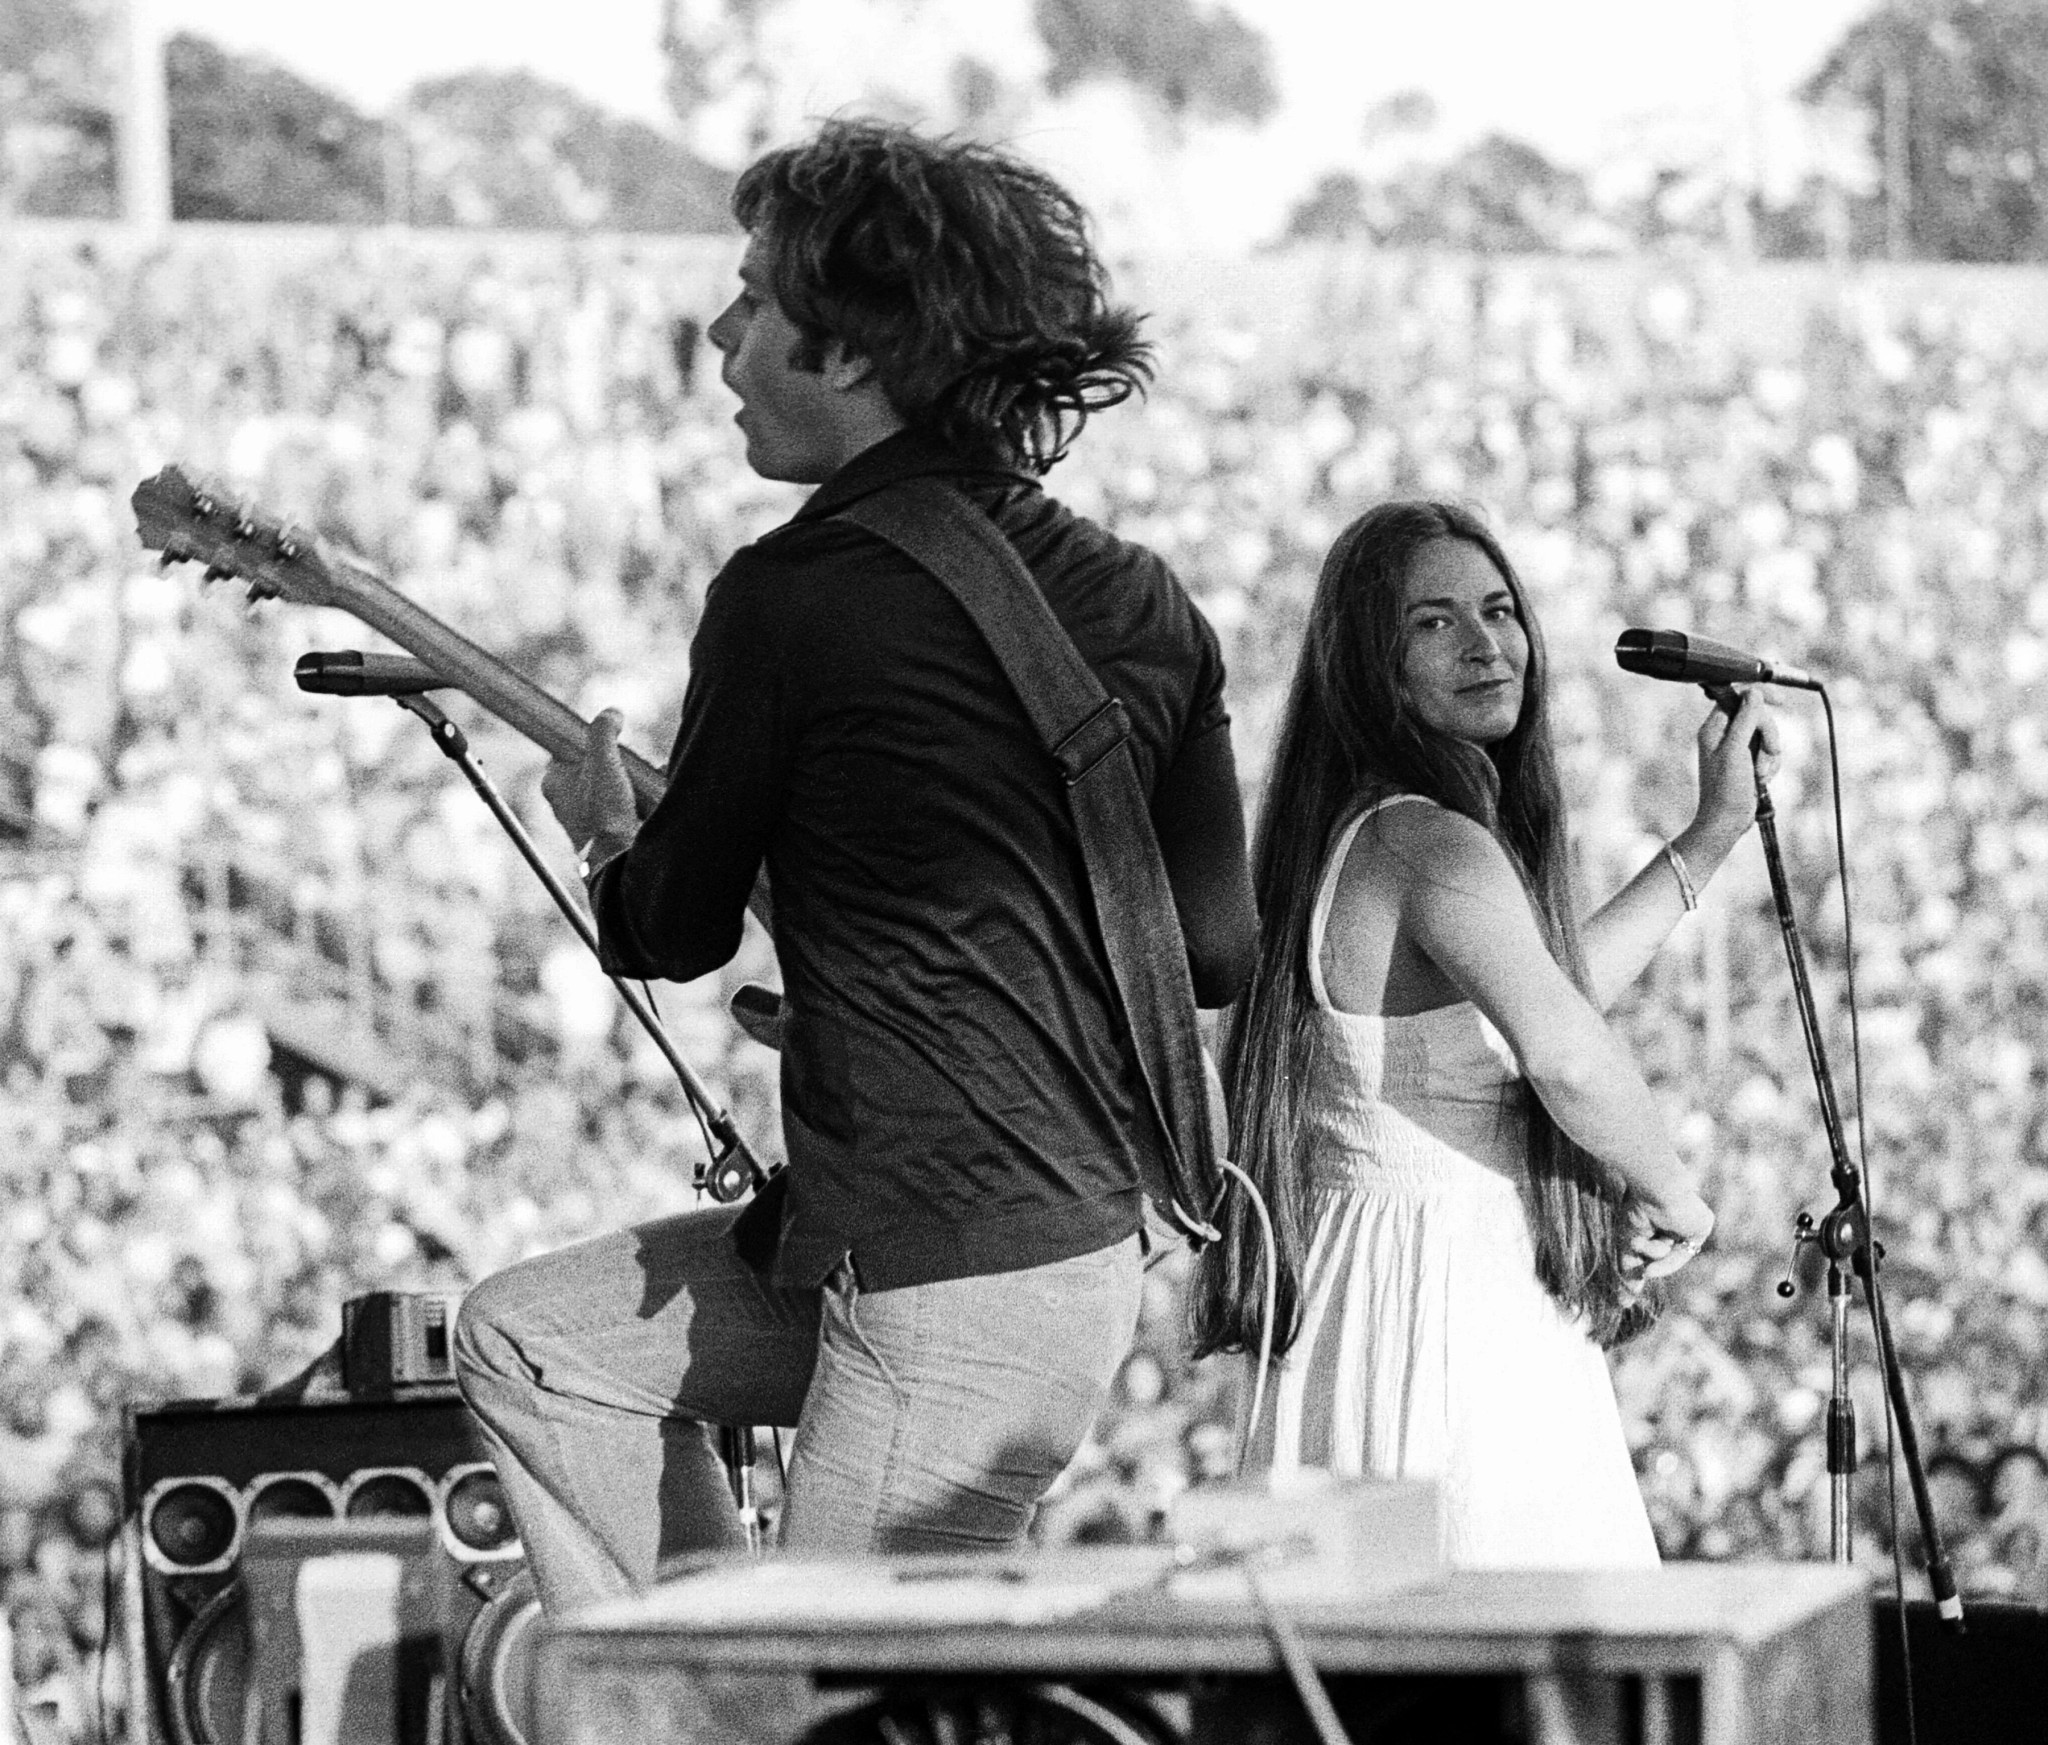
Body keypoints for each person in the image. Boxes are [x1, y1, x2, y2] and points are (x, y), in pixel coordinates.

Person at [453, 119, 1258, 1614]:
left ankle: (713, 1691)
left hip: (947, 1286)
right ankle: (678, 1680)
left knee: (829, 1691)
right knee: (532, 1339)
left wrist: (606, 827)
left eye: (754, 299)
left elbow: (671, 929)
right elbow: (1211, 953)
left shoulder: (791, 595)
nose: (719, 334)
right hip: (1047, 1256)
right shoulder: (1146, 600)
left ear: (855, 352)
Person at [1190, 500, 1778, 1568]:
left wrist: (1708, 838)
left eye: (1499, 610)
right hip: (1457, 1304)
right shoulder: (1428, 841)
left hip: (1363, 1291)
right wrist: (1674, 1195)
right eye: (1433, 621)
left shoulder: (1366, 831)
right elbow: (1564, 1052)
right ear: (1369, 664)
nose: (1483, 643)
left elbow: (1544, 1000)